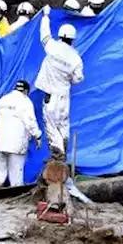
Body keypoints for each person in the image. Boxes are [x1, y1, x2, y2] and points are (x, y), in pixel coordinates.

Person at [35, 8, 83, 160]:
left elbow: (44, 34)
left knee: (50, 125)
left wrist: (46, 16)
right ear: (73, 39)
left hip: (51, 96)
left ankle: (58, 155)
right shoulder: (76, 58)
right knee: (63, 124)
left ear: (61, 35)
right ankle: (64, 149)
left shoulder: (53, 47)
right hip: (65, 96)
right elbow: (78, 79)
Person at [0, 80, 42, 189]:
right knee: (16, 171)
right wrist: (37, 136)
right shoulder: (25, 101)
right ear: (26, 91)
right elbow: (30, 121)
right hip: (16, 142)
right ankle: (15, 191)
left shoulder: (3, 100)